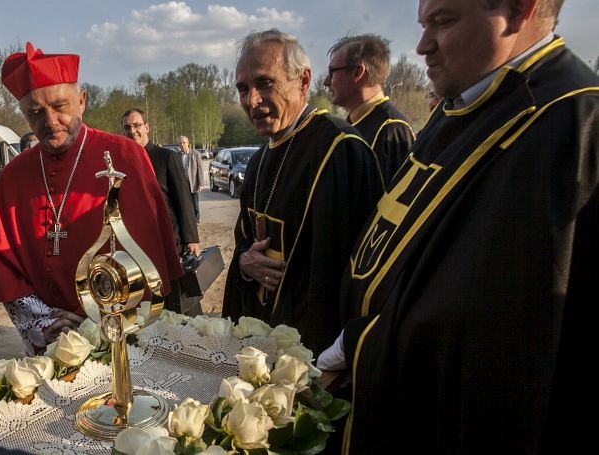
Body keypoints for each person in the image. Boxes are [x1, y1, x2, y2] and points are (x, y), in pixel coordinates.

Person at [322, 0, 599, 453]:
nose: (422, 45)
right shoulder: (466, 107)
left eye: (444, 21)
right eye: (423, 23)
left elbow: (506, 328)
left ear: (520, 10)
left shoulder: (574, 124)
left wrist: (364, 343)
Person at [0, 42, 182, 355]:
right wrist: (45, 322)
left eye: (60, 106)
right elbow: (5, 264)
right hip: (54, 342)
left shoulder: (126, 157)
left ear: (82, 100)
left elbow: (151, 254)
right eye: (35, 112)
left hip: (122, 331)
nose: (50, 122)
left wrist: (103, 320)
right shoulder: (12, 177)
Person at [222, 29, 383, 356]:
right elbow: (244, 241)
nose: (251, 101)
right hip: (262, 345)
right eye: (243, 88)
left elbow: (364, 274)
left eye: (265, 83)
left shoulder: (341, 151)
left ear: (303, 81)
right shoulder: (260, 158)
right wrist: (244, 261)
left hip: (318, 352)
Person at [121, 109, 203, 315]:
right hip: (139, 244)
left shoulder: (167, 157)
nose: (133, 131)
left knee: (178, 301)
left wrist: (191, 238)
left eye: (137, 125)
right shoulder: (122, 162)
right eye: (127, 127)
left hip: (171, 240)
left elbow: (183, 199)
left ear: (146, 127)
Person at [324, 34, 415, 184]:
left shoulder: (392, 129)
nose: (326, 82)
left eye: (332, 72)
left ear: (357, 73)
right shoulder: (350, 125)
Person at [177, 135, 204, 224]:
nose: (182, 144)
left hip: (193, 182)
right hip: (182, 183)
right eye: (180, 143)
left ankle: (197, 220)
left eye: (184, 142)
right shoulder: (176, 155)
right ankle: (187, 220)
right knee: (184, 203)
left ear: (188, 143)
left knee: (195, 203)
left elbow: (200, 169)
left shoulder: (195, 154)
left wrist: (201, 184)